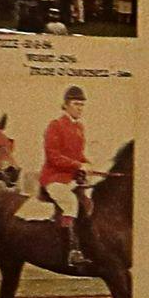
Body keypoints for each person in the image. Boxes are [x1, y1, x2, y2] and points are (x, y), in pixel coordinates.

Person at [31, 85, 92, 218]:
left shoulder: (79, 128)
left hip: (73, 178)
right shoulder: (55, 125)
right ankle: (68, 239)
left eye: (82, 104)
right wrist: (78, 165)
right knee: (71, 203)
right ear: (65, 105)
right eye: (76, 104)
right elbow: (53, 157)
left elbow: (77, 155)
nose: (80, 108)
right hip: (54, 178)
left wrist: (88, 163)